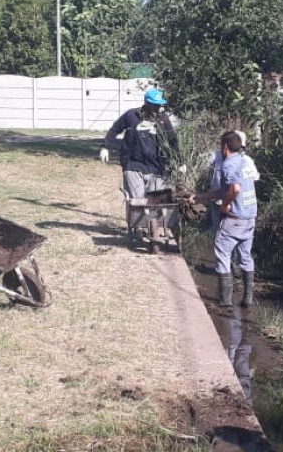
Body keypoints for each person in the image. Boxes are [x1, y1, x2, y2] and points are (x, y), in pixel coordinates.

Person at [99, 88, 181, 241]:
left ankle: (153, 228)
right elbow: (114, 130)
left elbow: (172, 142)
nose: (159, 108)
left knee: (155, 202)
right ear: (147, 103)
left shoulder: (163, 120)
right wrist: (105, 147)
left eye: (160, 105)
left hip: (157, 167)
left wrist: (180, 162)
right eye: (155, 105)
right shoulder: (132, 116)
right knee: (138, 200)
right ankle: (137, 228)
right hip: (133, 165)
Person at [189, 131, 258, 308]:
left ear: (225, 147)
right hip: (249, 218)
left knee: (222, 253)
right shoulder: (244, 162)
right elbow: (224, 190)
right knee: (245, 257)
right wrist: (200, 196)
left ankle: (225, 301)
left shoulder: (228, 165)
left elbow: (234, 190)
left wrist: (225, 205)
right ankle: (247, 299)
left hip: (234, 218)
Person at [207, 130, 259, 232]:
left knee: (230, 236)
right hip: (217, 201)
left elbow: (252, 180)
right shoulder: (217, 155)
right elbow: (209, 173)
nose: (239, 150)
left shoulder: (246, 160)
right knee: (218, 232)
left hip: (235, 206)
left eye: (241, 148)